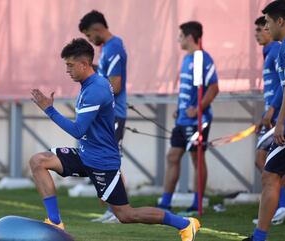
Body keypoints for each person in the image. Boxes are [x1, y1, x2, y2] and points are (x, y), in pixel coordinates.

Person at [29, 38, 200, 241]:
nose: (67, 70)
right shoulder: (89, 83)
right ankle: (55, 222)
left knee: (126, 215)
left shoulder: (96, 89)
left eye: (70, 65)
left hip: (102, 163)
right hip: (86, 156)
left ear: (84, 64)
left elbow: (78, 130)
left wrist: (49, 109)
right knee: (38, 161)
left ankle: (185, 224)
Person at [244, 1, 285, 241]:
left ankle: (259, 237)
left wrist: (281, 121)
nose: (265, 27)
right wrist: (272, 111)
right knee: (270, 173)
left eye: (267, 22)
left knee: (269, 174)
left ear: (279, 21)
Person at [158, 21, 219, 214]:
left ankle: (197, 204)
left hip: (197, 121)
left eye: (180, 36)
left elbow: (214, 87)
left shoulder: (202, 58)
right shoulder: (187, 59)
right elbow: (188, 90)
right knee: (172, 156)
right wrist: (180, 109)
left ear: (190, 37)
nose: (178, 40)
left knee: (196, 158)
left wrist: (198, 109)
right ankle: (165, 203)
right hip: (182, 119)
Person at [79, 10, 127, 223]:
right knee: (106, 161)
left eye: (89, 35)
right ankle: (112, 210)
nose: (90, 40)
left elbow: (115, 86)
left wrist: (95, 83)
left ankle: (119, 211)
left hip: (113, 115)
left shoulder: (114, 46)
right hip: (109, 115)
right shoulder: (107, 48)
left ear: (98, 29)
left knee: (111, 163)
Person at [253, 16, 285, 225]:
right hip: (274, 115)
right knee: (268, 162)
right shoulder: (269, 51)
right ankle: (282, 203)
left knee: (263, 159)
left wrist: (272, 112)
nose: (258, 33)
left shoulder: (277, 49)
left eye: (262, 28)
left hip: (282, 116)